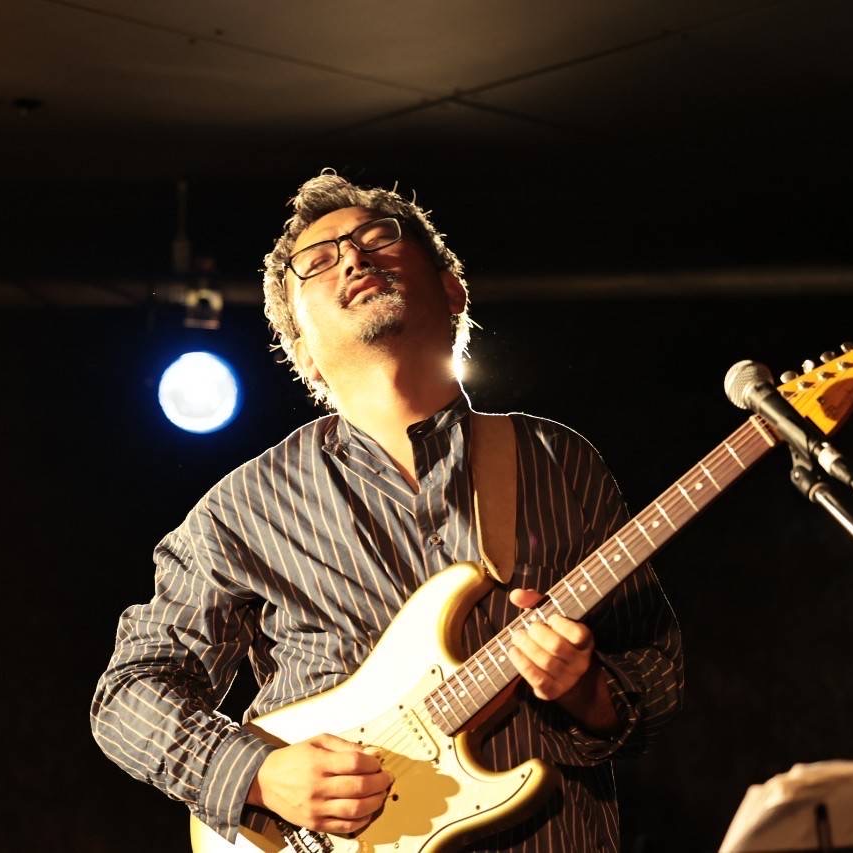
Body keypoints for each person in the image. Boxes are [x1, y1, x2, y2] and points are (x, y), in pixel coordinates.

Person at [91, 171, 684, 851]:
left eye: (378, 238)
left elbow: (656, 671)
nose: (352, 257)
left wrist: (586, 691)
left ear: (453, 289)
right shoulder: (242, 508)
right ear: (300, 347)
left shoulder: (556, 460)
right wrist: (258, 774)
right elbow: (130, 693)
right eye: (318, 261)